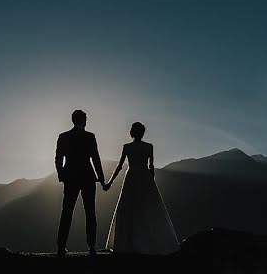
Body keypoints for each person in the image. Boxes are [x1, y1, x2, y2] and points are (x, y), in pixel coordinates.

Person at [102, 122, 179, 255]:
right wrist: (152, 182)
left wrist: (109, 182)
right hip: (145, 178)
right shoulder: (149, 147)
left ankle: (127, 242)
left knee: (129, 207)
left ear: (132, 133)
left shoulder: (127, 147)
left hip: (131, 177)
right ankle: (149, 241)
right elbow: (151, 167)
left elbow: (120, 166)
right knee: (147, 208)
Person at [55, 109, 106, 257]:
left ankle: (61, 246)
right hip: (88, 177)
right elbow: (95, 158)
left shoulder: (63, 136)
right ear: (83, 120)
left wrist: (62, 175)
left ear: (73, 120)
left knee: (66, 212)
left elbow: (58, 158)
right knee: (90, 211)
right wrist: (101, 178)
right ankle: (91, 246)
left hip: (70, 177)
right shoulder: (90, 137)